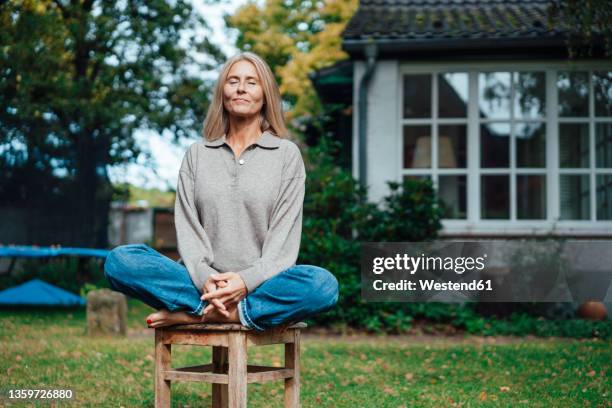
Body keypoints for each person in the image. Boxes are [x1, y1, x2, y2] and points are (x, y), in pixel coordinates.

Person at [104, 52, 339, 331]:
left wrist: (245, 281)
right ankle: (219, 309)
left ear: (265, 94)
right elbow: (189, 230)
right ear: (222, 93)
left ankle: (208, 313)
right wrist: (205, 276)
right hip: (201, 284)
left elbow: (282, 245)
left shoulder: (286, 155)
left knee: (323, 285)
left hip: (262, 285)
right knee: (120, 261)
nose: (241, 88)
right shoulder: (197, 154)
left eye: (251, 82)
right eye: (233, 81)